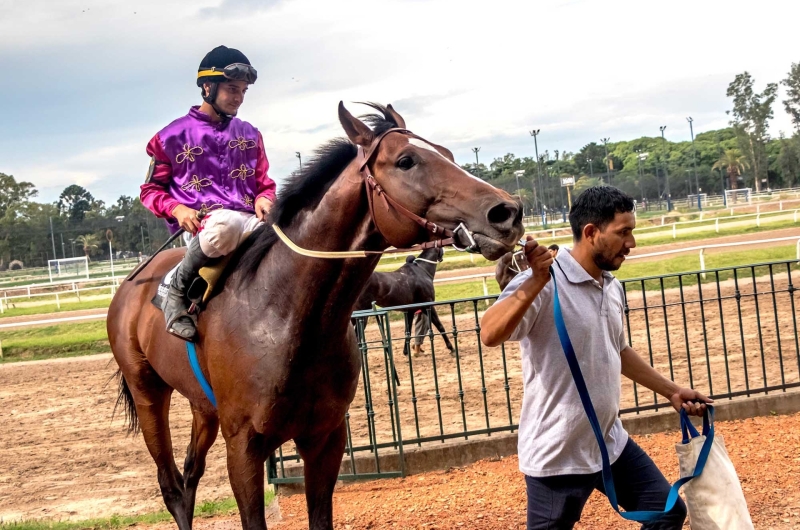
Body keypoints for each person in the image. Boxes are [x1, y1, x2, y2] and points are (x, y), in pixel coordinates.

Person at [480, 186, 711, 530]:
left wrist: (671, 391)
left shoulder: (611, 285)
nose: (631, 243)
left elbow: (617, 349)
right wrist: (534, 282)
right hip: (556, 453)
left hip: (608, 443)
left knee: (666, 511)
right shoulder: (543, 283)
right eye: (623, 232)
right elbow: (489, 333)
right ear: (591, 232)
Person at [140, 45, 276, 341]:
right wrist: (178, 209)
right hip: (205, 229)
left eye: (242, 91)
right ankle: (174, 289)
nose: (238, 97)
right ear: (207, 87)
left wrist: (265, 199)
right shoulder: (169, 137)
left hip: (247, 223)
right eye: (231, 89)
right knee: (224, 226)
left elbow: (264, 182)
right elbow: (150, 191)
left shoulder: (251, 134)